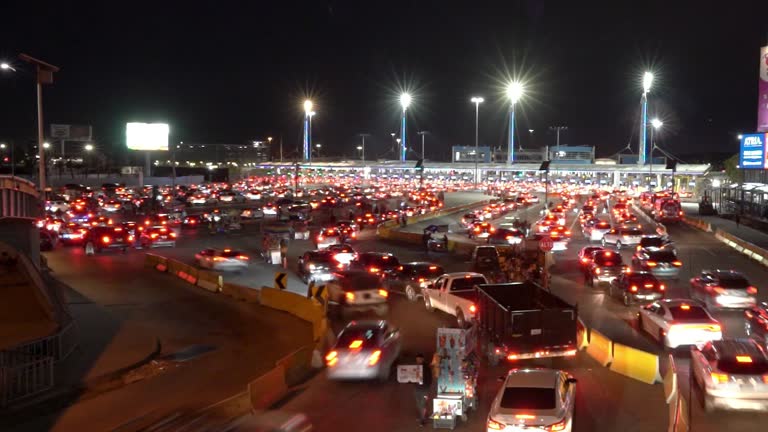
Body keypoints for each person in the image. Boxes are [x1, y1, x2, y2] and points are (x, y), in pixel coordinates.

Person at [414, 353, 433, 427]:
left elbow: (430, 379)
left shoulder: (426, 367)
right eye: (417, 359)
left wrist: (427, 387)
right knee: (419, 404)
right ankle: (423, 416)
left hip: (424, 389)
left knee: (423, 404)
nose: (418, 360)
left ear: (423, 359)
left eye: (419, 359)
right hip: (417, 389)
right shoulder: (415, 367)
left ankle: (422, 420)